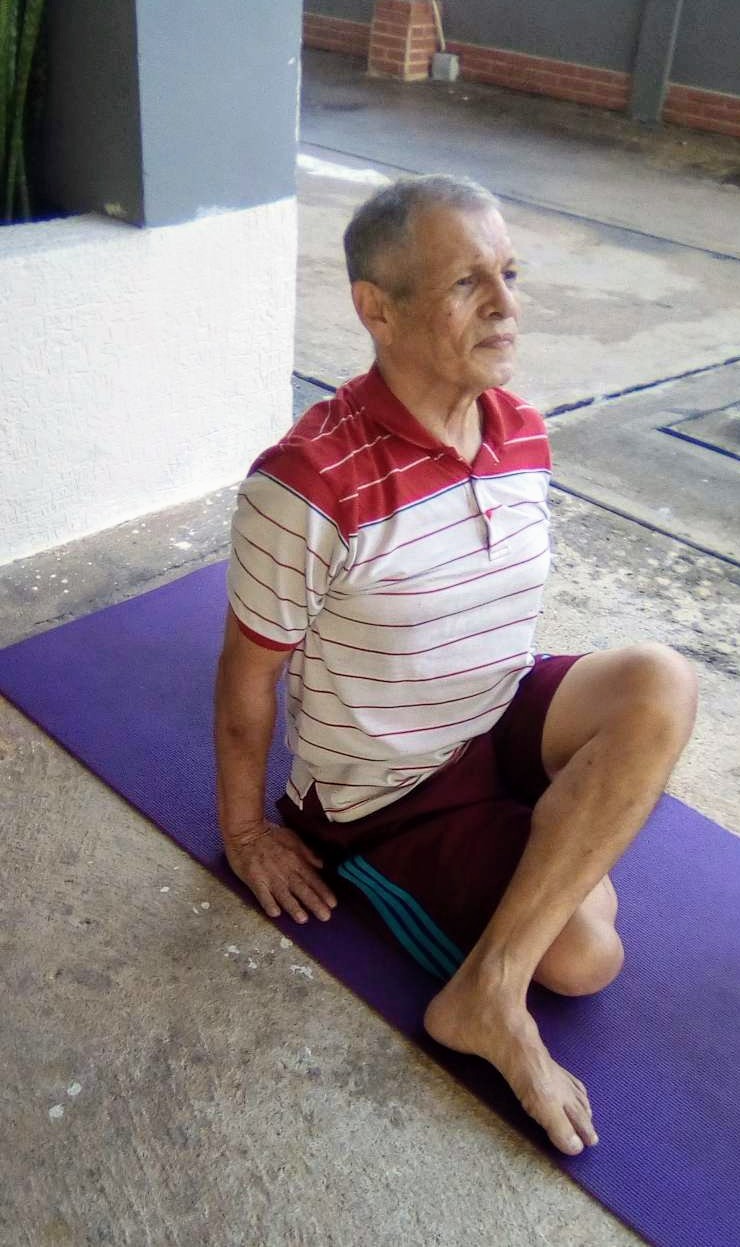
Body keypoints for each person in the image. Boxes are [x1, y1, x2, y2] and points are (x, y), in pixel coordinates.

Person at [215, 174, 697, 1157]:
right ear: (376, 308)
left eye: (509, 274)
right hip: (388, 790)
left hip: (498, 706)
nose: (506, 306)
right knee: (587, 952)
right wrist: (245, 829)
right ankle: (494, 978)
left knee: (662, 682)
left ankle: (490, 979)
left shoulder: (520, 428)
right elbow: (245, 680)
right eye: (467, 283)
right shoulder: (305, 483)